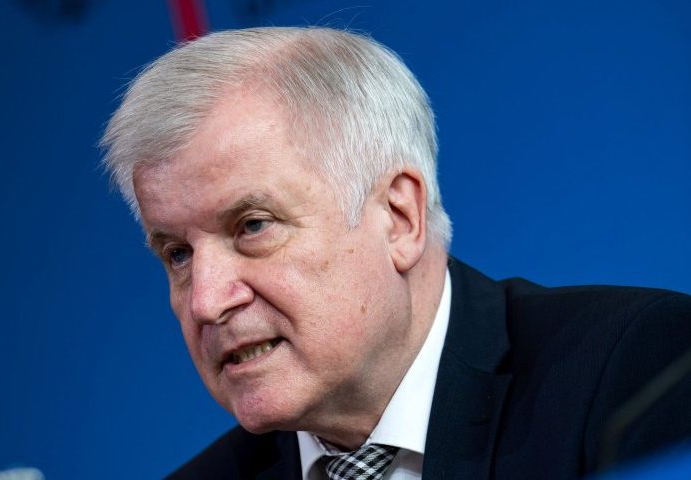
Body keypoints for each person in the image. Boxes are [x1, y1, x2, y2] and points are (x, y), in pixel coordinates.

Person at [100, 27, 691, 479]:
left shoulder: (634, 378)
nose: (205, 302)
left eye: (252, 226)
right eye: (178, 254)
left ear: (399, 218)